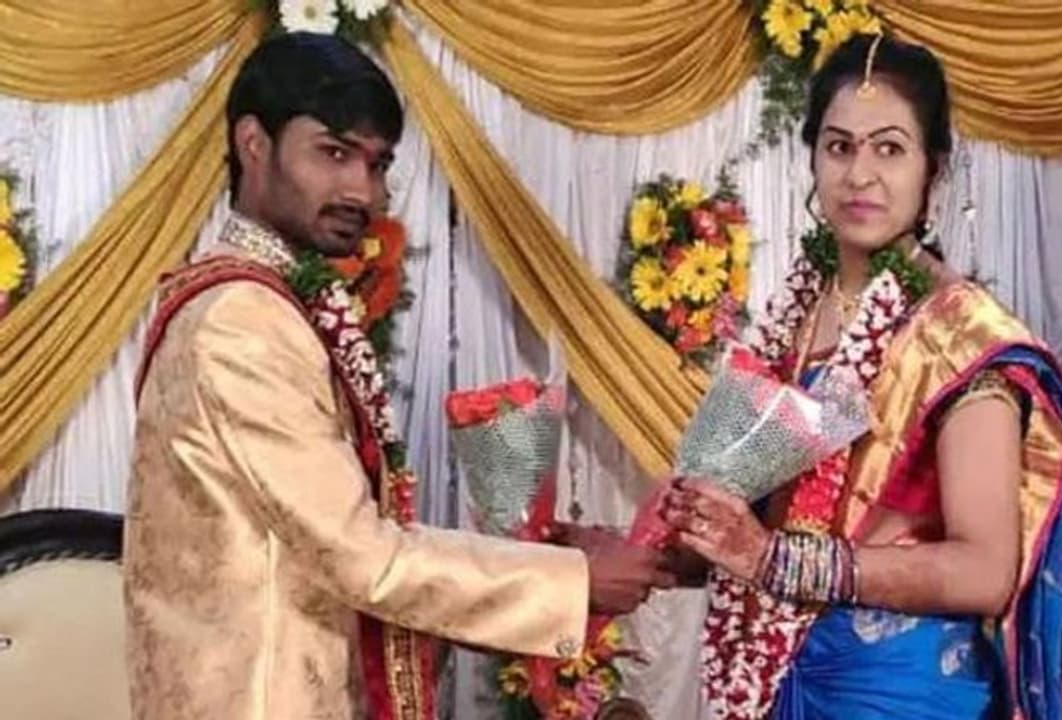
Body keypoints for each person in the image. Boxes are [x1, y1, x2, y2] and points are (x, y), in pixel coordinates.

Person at [124, 32, 671, 720]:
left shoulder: (254, 300)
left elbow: (330, 535)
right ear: (253, 143)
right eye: (334, 153)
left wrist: (549, 552)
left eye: (378, 163)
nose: (364, 191)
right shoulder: (243, 322)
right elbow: (365, 558)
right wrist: (572, 583)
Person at [661, 34, 1062, 720]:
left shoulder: (961, 336)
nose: (859, 174)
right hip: (773, 677)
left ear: (934, 171)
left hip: (898, 694)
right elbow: (752, 524)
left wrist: (779, 561)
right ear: (812, 158)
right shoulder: (795, 316)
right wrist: (634, 552)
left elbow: (985, 572)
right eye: (839, 147)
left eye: (889, 149)